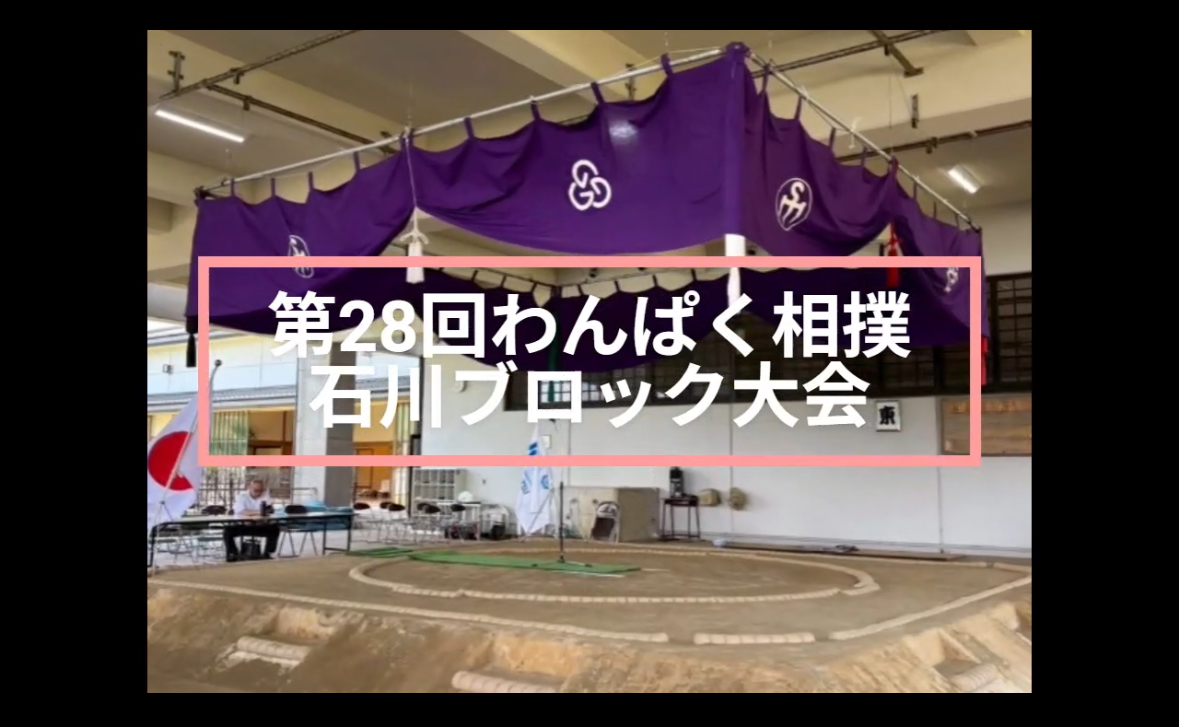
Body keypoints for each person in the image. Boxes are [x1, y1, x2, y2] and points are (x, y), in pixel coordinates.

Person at [223, 478, 280, 562]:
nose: (258, 493)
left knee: (274, 529)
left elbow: (269, 510)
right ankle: (233, 553)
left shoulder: (264, 495)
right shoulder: (242, 496)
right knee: (228, 531)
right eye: (256, 490)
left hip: (260, 525)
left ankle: (268, 553)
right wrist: (259, 512)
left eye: (261, 490)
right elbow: (241, 511)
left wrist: (254, 513)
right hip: (244, 525)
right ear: (249, 487)